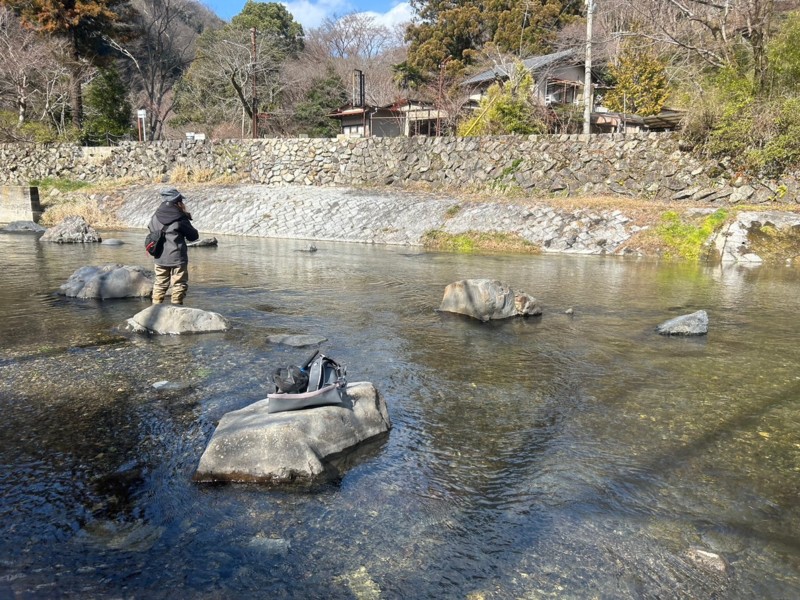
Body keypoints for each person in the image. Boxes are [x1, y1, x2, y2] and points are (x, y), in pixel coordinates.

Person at [148, 187, 199, 305]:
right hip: (177, 257)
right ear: (178, 202)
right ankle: (176, 307)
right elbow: (193, 236)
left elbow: (151, 229)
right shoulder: (180, 217)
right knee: (179, 283)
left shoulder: (155, 215)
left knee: (160, 283)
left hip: (159, 256)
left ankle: (155, 307)